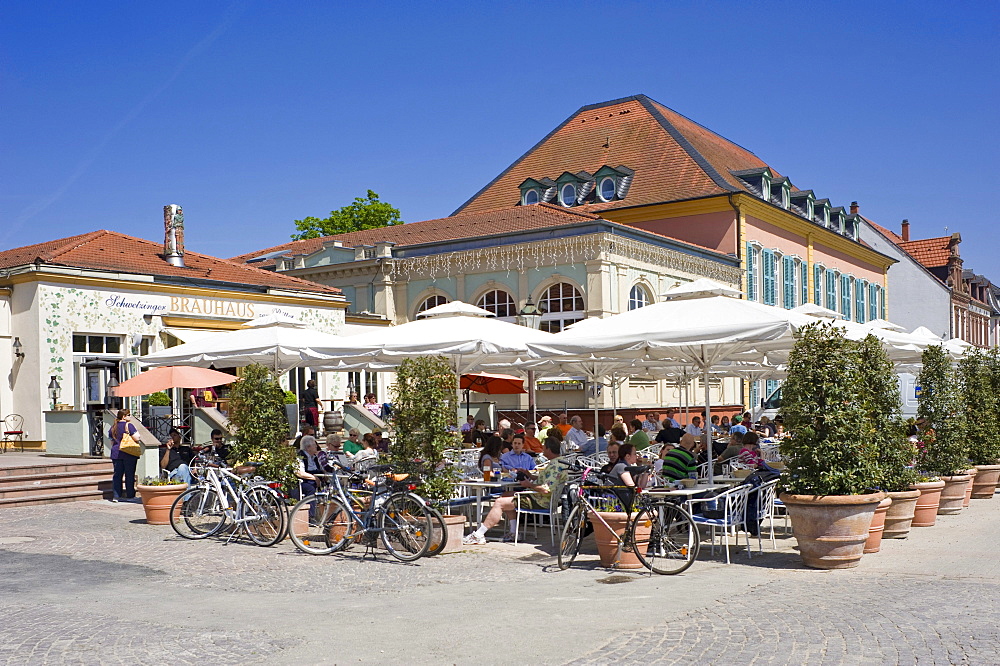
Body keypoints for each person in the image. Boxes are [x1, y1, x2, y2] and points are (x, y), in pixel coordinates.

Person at [462, 438, 571, 544]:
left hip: (539, 500)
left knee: (499, 502)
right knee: (505, 495)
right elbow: (545, 482)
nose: (542, 449)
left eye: (544, 447)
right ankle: (513, 532)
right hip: (543, 499)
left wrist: (529, 485)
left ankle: (479, 534)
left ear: (549, 449)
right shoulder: (559, 463)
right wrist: (529, 475)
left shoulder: (554, 466)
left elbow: (545, 489)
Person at [108, 408, 141, 502]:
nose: (130, 416)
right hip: (128, 453)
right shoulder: (129, 425)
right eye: (128, 415)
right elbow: (136, 437)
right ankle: (130, 495)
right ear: (124, 416)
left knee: (117, 475)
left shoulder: (113, 426)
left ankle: (116, 496)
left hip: (116, 453)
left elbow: (111, 441)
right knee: (129, 474)